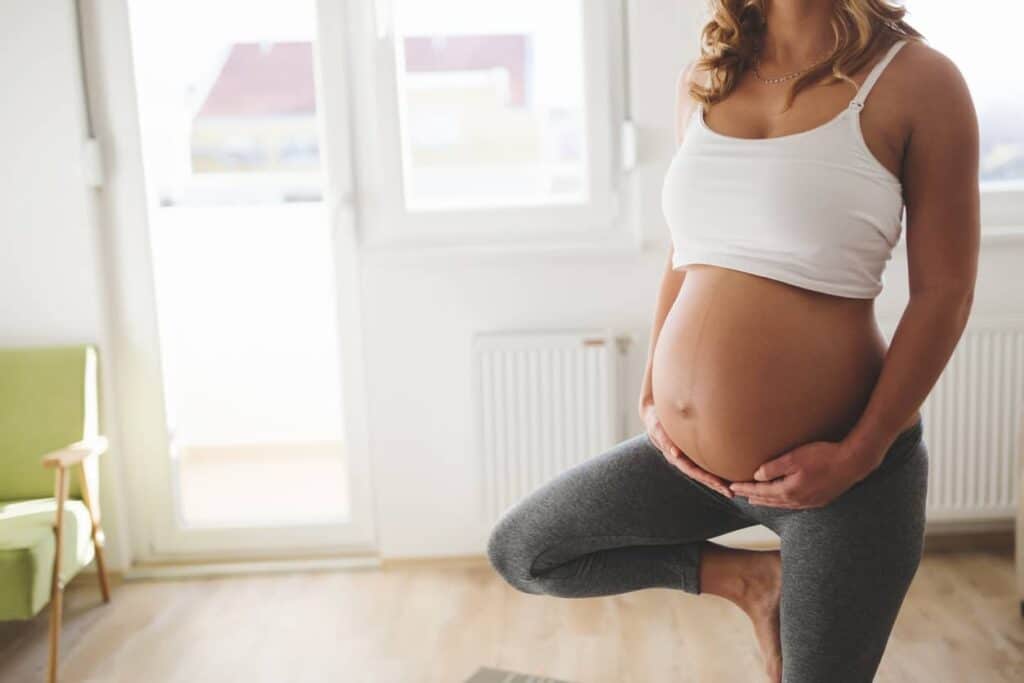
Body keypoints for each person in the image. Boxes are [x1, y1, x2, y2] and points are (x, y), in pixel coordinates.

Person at [485, 1, 980, 681]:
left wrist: (860, 453)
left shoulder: (918, 80)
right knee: (527, 548)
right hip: (690, 465)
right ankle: (752, 583)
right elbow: (684, 253)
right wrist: (655, 389)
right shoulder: (709, 76)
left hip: (841, 479)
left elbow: (944, 294)